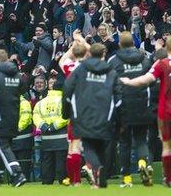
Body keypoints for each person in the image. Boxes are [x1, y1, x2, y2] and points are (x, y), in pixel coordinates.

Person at [120, 35, 171, 188]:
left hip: (166, 110)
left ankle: (168, 178)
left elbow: (147, 79)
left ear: (167, 48)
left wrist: (129, 81)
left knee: (167, 146)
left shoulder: (162, 64)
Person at [63, 43, 121, 189]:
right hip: (105, 114)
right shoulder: (110, 71)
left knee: (86, 146)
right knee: (100, 146)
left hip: (83, 113)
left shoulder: (80, 69)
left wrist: (66, 111)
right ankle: (98, 176)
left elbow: (67, 88)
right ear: (103, 55)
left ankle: (87, 174)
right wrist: (119, 119)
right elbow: (118, 95)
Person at [107, 31, 154, 187]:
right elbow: (152, 81)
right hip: (142, 105)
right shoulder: (145, 60)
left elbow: (109, 83)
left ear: (120, 44)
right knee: (141, 140)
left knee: (125, 143)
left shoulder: (114, 61)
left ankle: (127, 179)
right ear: (133, 44)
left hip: (123, 107)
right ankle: (142, 163)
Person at [0, 50, 27, 187]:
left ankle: (17, 174)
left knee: (2, 146)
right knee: (4, 146)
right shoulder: (17, 75)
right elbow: (23, 89)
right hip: (14, 115)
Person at [58, 30, 89, 186]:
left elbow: (62, 60)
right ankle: (91, 171)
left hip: (75, 110)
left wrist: (73, 45)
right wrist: (81, 40)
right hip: (91, 109)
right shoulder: (92, 66)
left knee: (73, 146)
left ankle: (74, 180)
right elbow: (94, 51)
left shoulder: (70, 67)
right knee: (92, 144)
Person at [32, 80, 68, 185]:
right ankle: (63, 181)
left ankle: (47, 182)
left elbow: (35, 115)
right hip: (61, 137)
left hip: (46, 138)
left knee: (47, 161)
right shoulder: (63, 100)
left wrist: (43, 126)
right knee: (61, 161)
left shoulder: (41, 102)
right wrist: (54, 126)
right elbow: (66, 116)